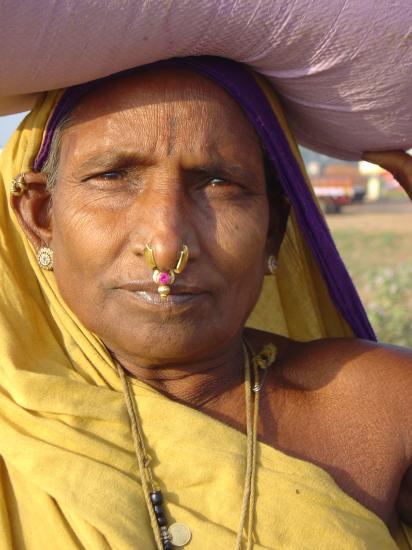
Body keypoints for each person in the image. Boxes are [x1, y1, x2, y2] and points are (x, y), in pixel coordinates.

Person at [0, 56, 411, 549]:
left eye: (219, 183)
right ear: (41, 216)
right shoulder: (14, 427)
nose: (168, 245)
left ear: (273, 233)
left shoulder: (379, 408)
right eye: (112, 176)